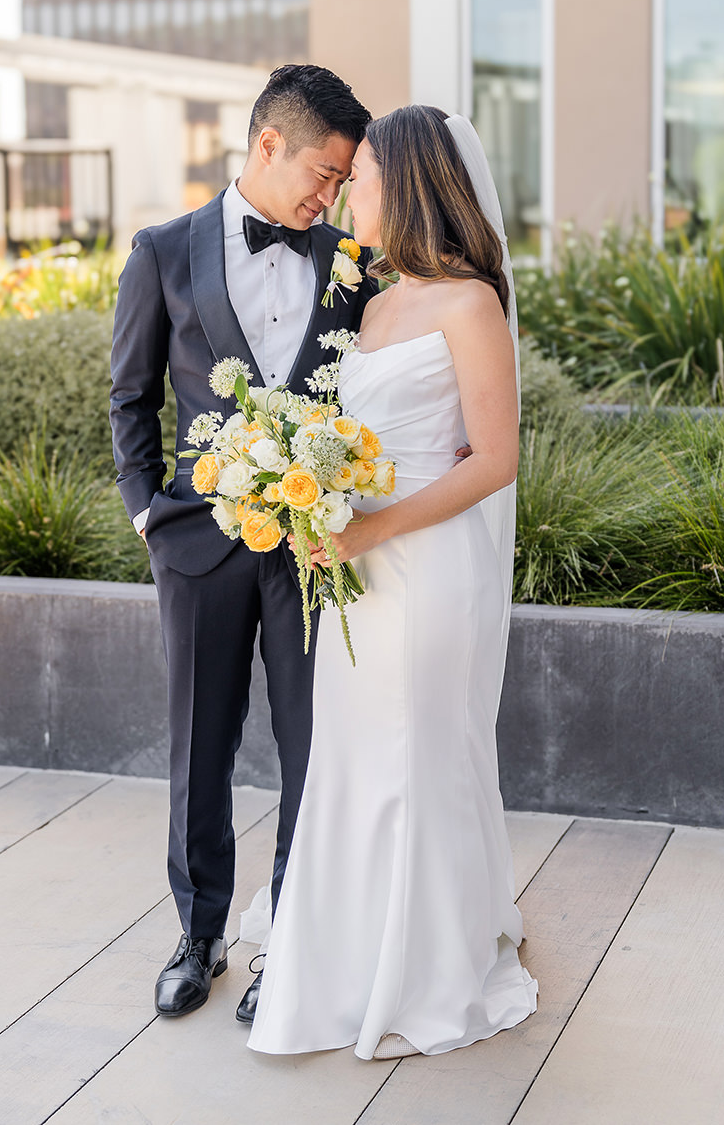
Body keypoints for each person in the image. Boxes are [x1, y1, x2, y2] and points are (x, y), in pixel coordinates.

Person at [247, 105, 538, 1061]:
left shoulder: (470, 304)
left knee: (413, 758)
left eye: (360, 174)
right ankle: (352, 952)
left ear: (406, 183)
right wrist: (307, 501)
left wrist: (372, 525)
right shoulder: (369, 302)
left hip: (424, 565)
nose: (344, 191)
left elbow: (493, 459)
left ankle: (422, 969)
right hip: (356, 570)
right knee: (354, 757)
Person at [109, 64, 375, 1024]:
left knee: (312, 750)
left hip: (315, 554)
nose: (330, 193)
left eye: (342, 182)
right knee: (199, 749)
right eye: (325, 172)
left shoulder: (352, 263)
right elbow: (129, 396)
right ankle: (200, 934)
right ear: (270, 145)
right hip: (197, 549)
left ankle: (292, 945)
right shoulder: (163, 252)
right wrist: (150, 511)